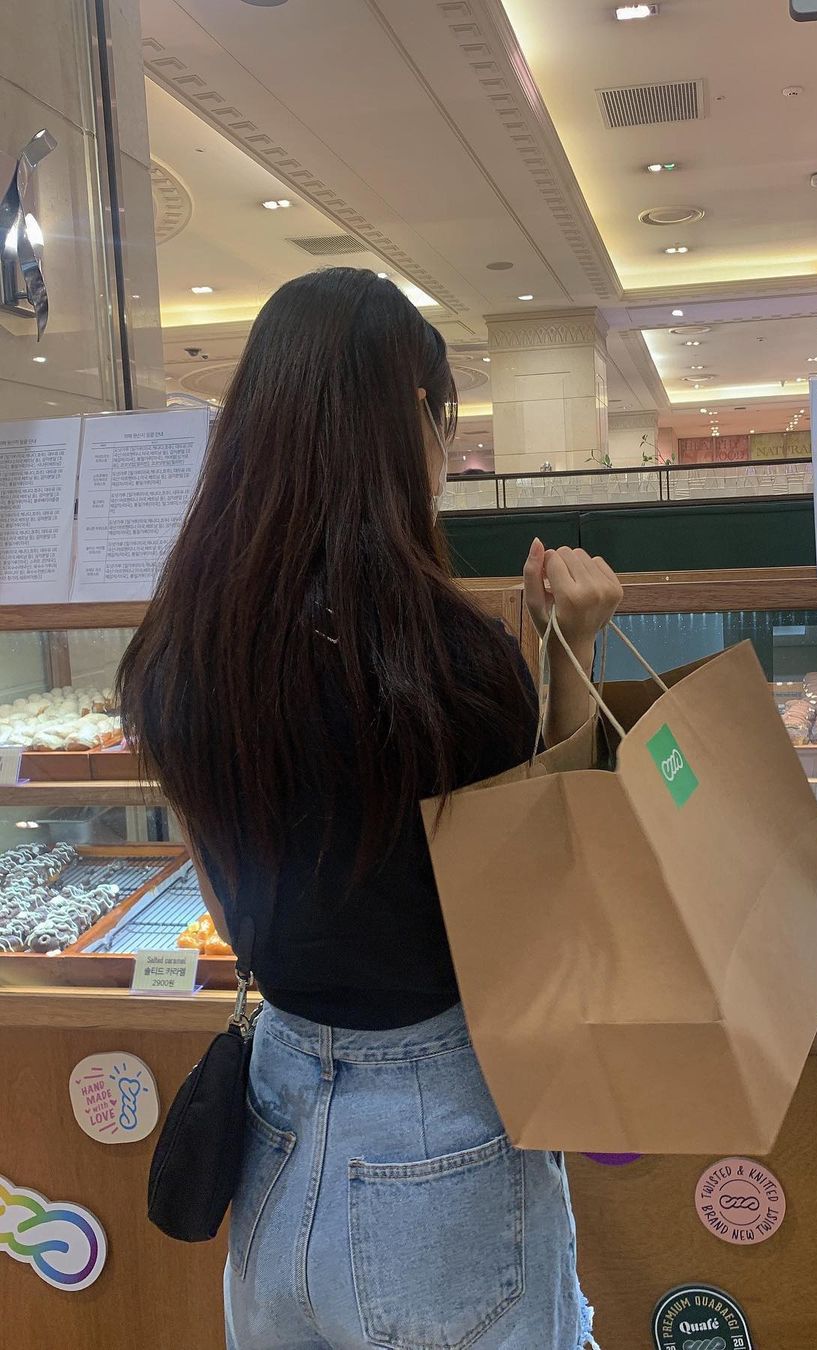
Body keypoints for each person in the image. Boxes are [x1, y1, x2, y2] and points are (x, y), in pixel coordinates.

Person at [118, 267, 620, 1350]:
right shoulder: (450, 662)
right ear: (411, 422)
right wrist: (567, 651)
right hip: (443, 1129)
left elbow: (227, 900)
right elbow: (541, 915)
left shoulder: (183, 652)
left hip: (274, 1120)